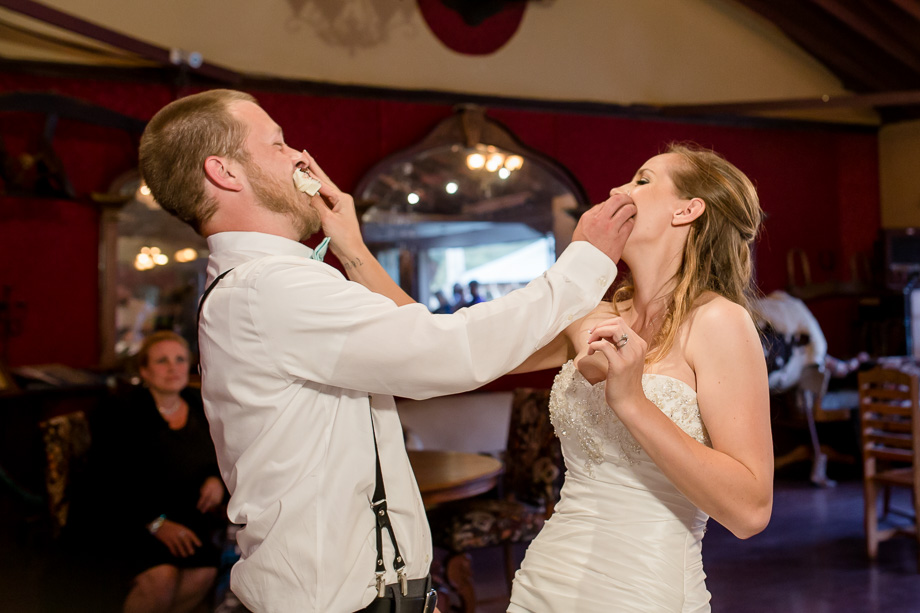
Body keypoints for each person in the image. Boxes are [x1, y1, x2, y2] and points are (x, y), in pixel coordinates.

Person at [137, 89, 636, 613]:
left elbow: (413, 330)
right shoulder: (267, 288)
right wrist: (585, 260)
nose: (300, 158)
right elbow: (445, 352)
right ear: (224, 172)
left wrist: (352, 249)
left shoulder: (265, 284)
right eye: (278, 144)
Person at [498, 144, 774, 612]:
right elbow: (451, 346)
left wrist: (632, 402)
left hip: (644, 591)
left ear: (687, 210)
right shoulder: (588, 316)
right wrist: (361, 255)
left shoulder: (719, 322)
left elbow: (750, 511)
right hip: (545, 583)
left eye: (642, 180)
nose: (617, 190)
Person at [80, 331, 226, 613]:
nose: (173, 368)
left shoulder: (201, 406)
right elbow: (106, 481)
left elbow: (222, 456)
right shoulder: (119, 411)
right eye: (162, 361)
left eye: (180, 359)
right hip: (127, 519)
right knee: (161, 578)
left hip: (186, 518)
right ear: (144, 371)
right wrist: (156, 523)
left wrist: (216, 480)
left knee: (204, 571)